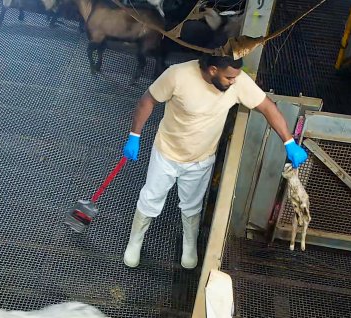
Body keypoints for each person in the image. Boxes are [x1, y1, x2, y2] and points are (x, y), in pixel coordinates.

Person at [121, 53, 308, 269]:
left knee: (192, 205)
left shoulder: (236, 81)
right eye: (229, 78)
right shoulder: (178, 75)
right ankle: (136, 240)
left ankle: (189, 245)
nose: (234, 81)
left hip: (201, 158)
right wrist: (135, 136)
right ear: (212, 70)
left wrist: (288, 142)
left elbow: (267, 107)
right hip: (167, 153)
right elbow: (148, 99)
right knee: (151, 197)